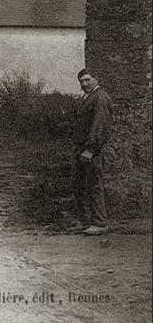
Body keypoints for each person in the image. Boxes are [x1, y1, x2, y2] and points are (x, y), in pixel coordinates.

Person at [68, 68, 112, 236]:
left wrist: (90, 149)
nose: (84, 84)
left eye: (87, 80)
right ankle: (84, 221)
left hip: (91, 150)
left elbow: (99, 126)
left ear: (96, 79)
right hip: (79, 148)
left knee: (93, 184)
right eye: (81, 81)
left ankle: (100, 223)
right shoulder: (86, 98)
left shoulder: (101, 98)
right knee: (77, 184)